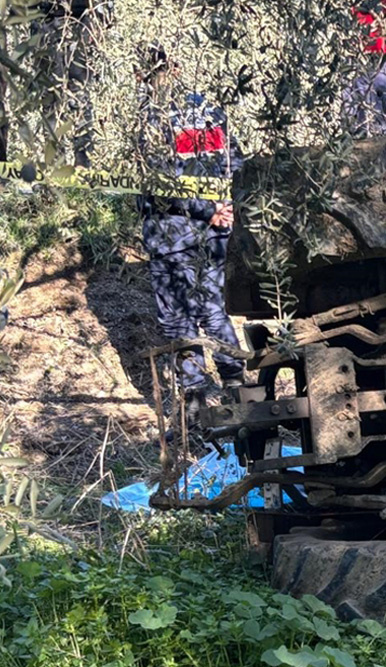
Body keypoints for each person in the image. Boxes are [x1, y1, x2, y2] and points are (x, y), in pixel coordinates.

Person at [135, 46, 245, 405]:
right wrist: (226, 206)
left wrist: (205, 210)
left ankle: (196, 398)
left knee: (177, 317)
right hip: (214, 233)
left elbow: (164, 180)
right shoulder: (210, 112)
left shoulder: (151, 119)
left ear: (142, 75)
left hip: (173, 235)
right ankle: (237, 384)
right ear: (178, 69)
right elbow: (235, 162)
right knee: (212, 307)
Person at [32, 0, 112, 167]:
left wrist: (102, 15)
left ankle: (82, 161)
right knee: (50, 94)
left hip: (80, 20)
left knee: (79, 92)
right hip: (46, 18)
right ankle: (55, 161)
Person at [346, 0, 386, 137]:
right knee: (353, 91)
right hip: (356, 49)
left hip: (379, 50)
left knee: (378, 89)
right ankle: (357, 132)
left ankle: (382, 134)